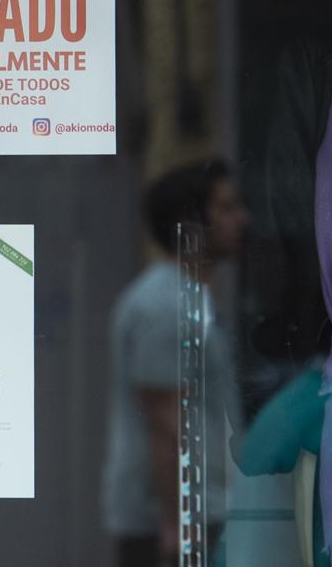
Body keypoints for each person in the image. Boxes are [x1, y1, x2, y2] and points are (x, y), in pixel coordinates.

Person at [101, 158, 249, 567]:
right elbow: (165, 423)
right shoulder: (165, 306)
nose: (242, 219)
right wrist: (175, 526)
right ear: (190, 222)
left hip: (197, 515)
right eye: (226, 208)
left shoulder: (191, 300)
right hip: (174, 525)